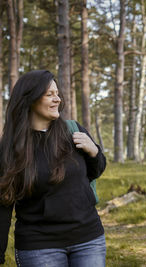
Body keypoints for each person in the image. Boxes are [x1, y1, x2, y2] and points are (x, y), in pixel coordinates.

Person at [0, 70, 107, 267]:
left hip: (88, 239)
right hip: (39, 246)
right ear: (30, 99)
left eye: (57, 93)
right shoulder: (10, 148)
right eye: (49, 94)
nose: (57, 99)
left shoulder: (73, 131)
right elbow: (3, 204)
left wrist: (95, 153)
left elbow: (93, 173)